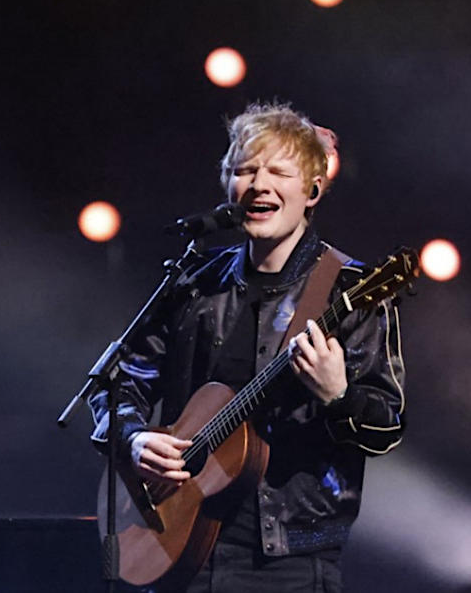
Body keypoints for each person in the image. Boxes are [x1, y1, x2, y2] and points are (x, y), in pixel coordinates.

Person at [88, 102, 406, 592]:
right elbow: (114, 385)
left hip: (290, 560)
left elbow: (386, 427)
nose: (259, 183)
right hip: (178, 545)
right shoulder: (196, 281)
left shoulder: (347, 289)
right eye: (244, 170)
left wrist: (339, 396)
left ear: (313, 190)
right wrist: (133, 440)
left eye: (279, 171)